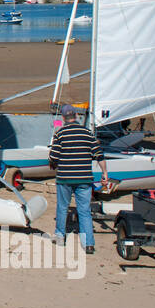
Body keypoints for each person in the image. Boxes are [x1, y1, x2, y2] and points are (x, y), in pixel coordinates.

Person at [48, 104, 111, 254]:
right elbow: (99, 155)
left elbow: (53, 156)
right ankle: (88, 244)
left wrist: (52, 163)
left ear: (63, 118)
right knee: (84, 211)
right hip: (84, 178)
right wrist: (105, 173)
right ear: (76, 116)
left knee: (62, 207)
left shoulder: (61, 134)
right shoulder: (88, 133)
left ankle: (60, 237)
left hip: (65, 178)